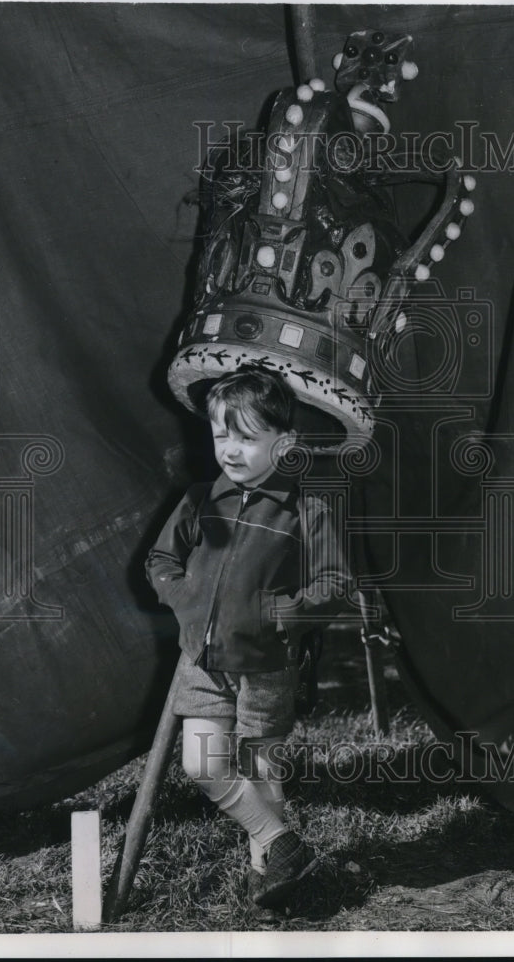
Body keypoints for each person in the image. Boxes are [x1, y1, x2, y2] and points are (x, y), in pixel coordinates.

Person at [145, 365, 350, 915]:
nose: (230, 451)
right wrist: (185, 598)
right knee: (202, 763)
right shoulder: (198, 502)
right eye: (221, 435)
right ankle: (284, 844)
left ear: (284, 444)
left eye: (247, 438)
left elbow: (335, 583)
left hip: (266, 666)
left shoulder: (305, 510)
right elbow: (162, 559)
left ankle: (272, 879)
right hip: (203, 662)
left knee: (262, 769)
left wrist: (285, 611)